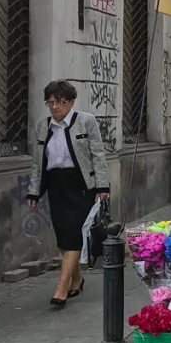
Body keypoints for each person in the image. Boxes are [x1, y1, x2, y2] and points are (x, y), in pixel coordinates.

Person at [26, 80, 110, 309]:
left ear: (71, 102)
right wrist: (34, 191)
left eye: (60, 102)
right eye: (50, 102)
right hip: (56, 185)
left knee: (74, 233)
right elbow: (38, 161)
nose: (55, 107)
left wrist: (103, 187)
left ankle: (61, 288)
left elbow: (98, 155)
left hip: (82, 184)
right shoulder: (43, 126)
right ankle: (76, 279)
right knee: (63, 235)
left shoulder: (86, 121)